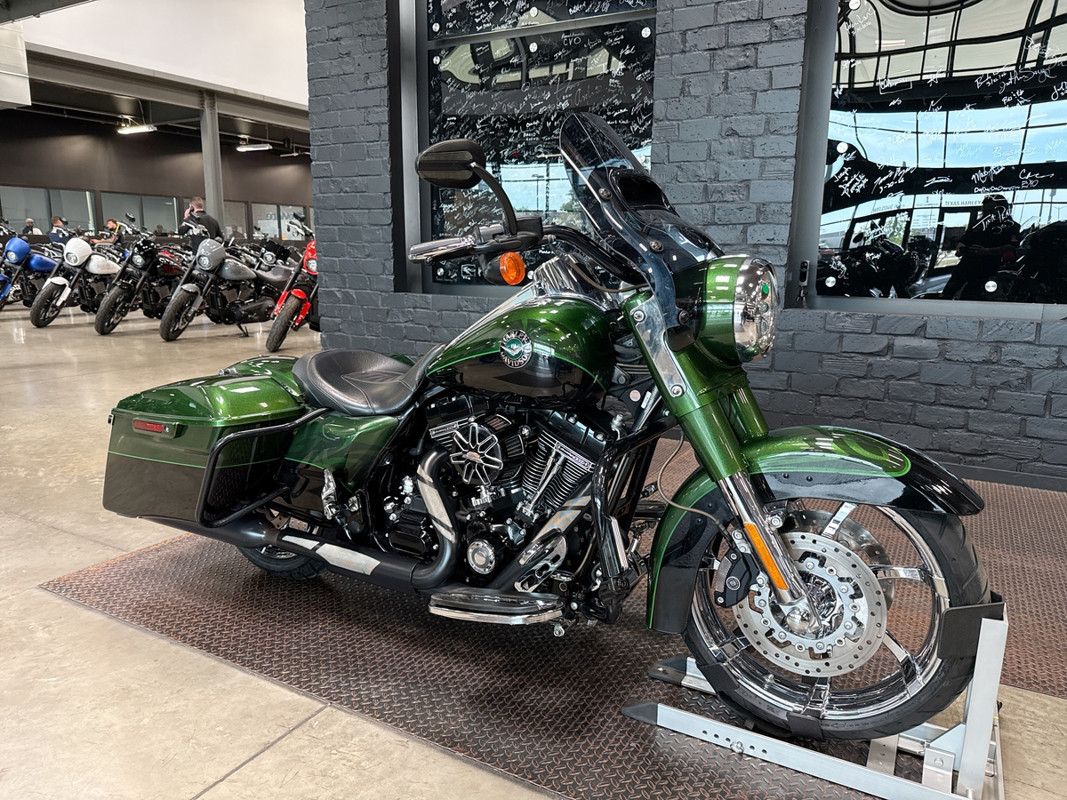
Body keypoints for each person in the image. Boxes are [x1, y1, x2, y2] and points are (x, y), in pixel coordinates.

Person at [942, 194, 1020, 301]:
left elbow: (1011, 246)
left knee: (971, 296)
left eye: (990, 209)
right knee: (947, 293)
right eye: (984, 209)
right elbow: (964, 240)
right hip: (967, 264)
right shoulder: (977, 224)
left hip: (988, 268)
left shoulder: (1011, 226)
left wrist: (987, 251)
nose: (986, 212)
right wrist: (961, 249)